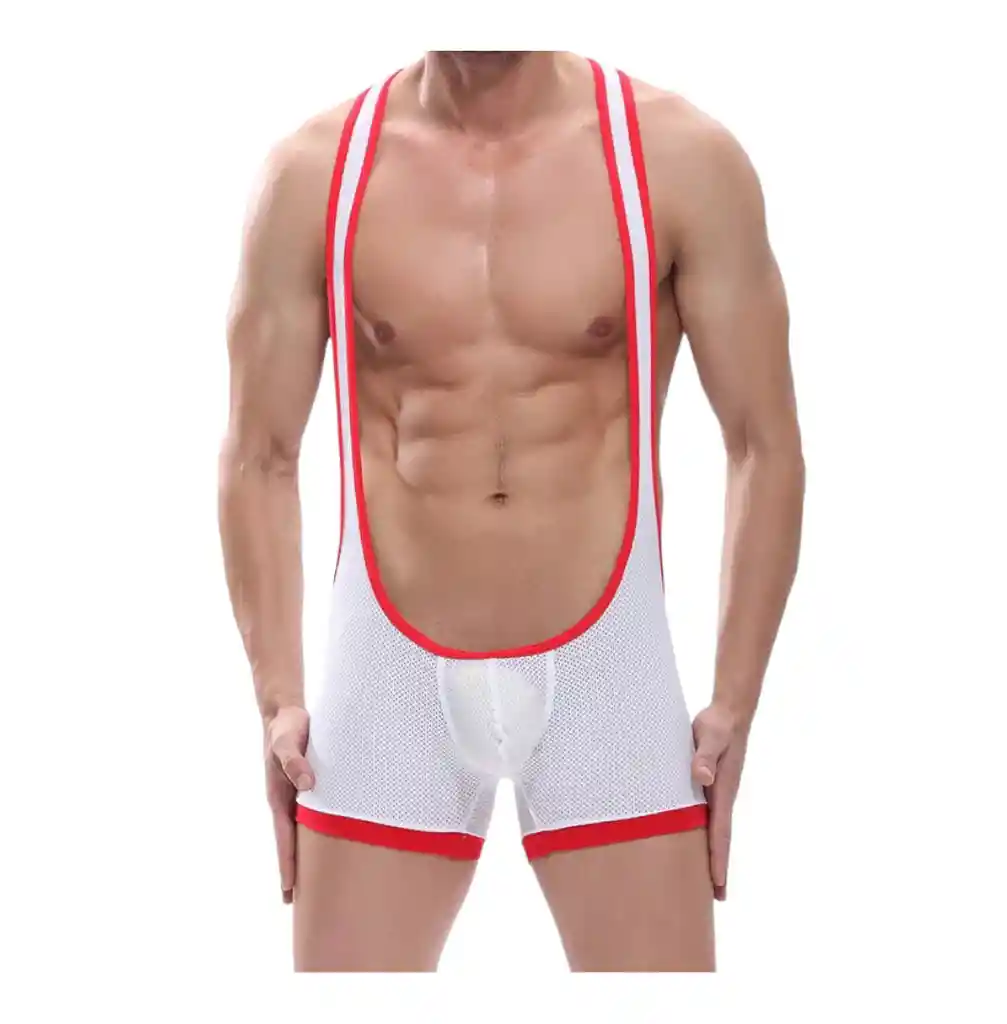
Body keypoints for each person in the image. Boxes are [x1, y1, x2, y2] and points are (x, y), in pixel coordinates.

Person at [219, 50, 803, 972]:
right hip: (386, 677)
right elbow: (259, 454)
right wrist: (277, 697)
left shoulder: (680, 158)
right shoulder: (314, 173)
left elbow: (762, 443)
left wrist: (735, 702)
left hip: (609, 673)